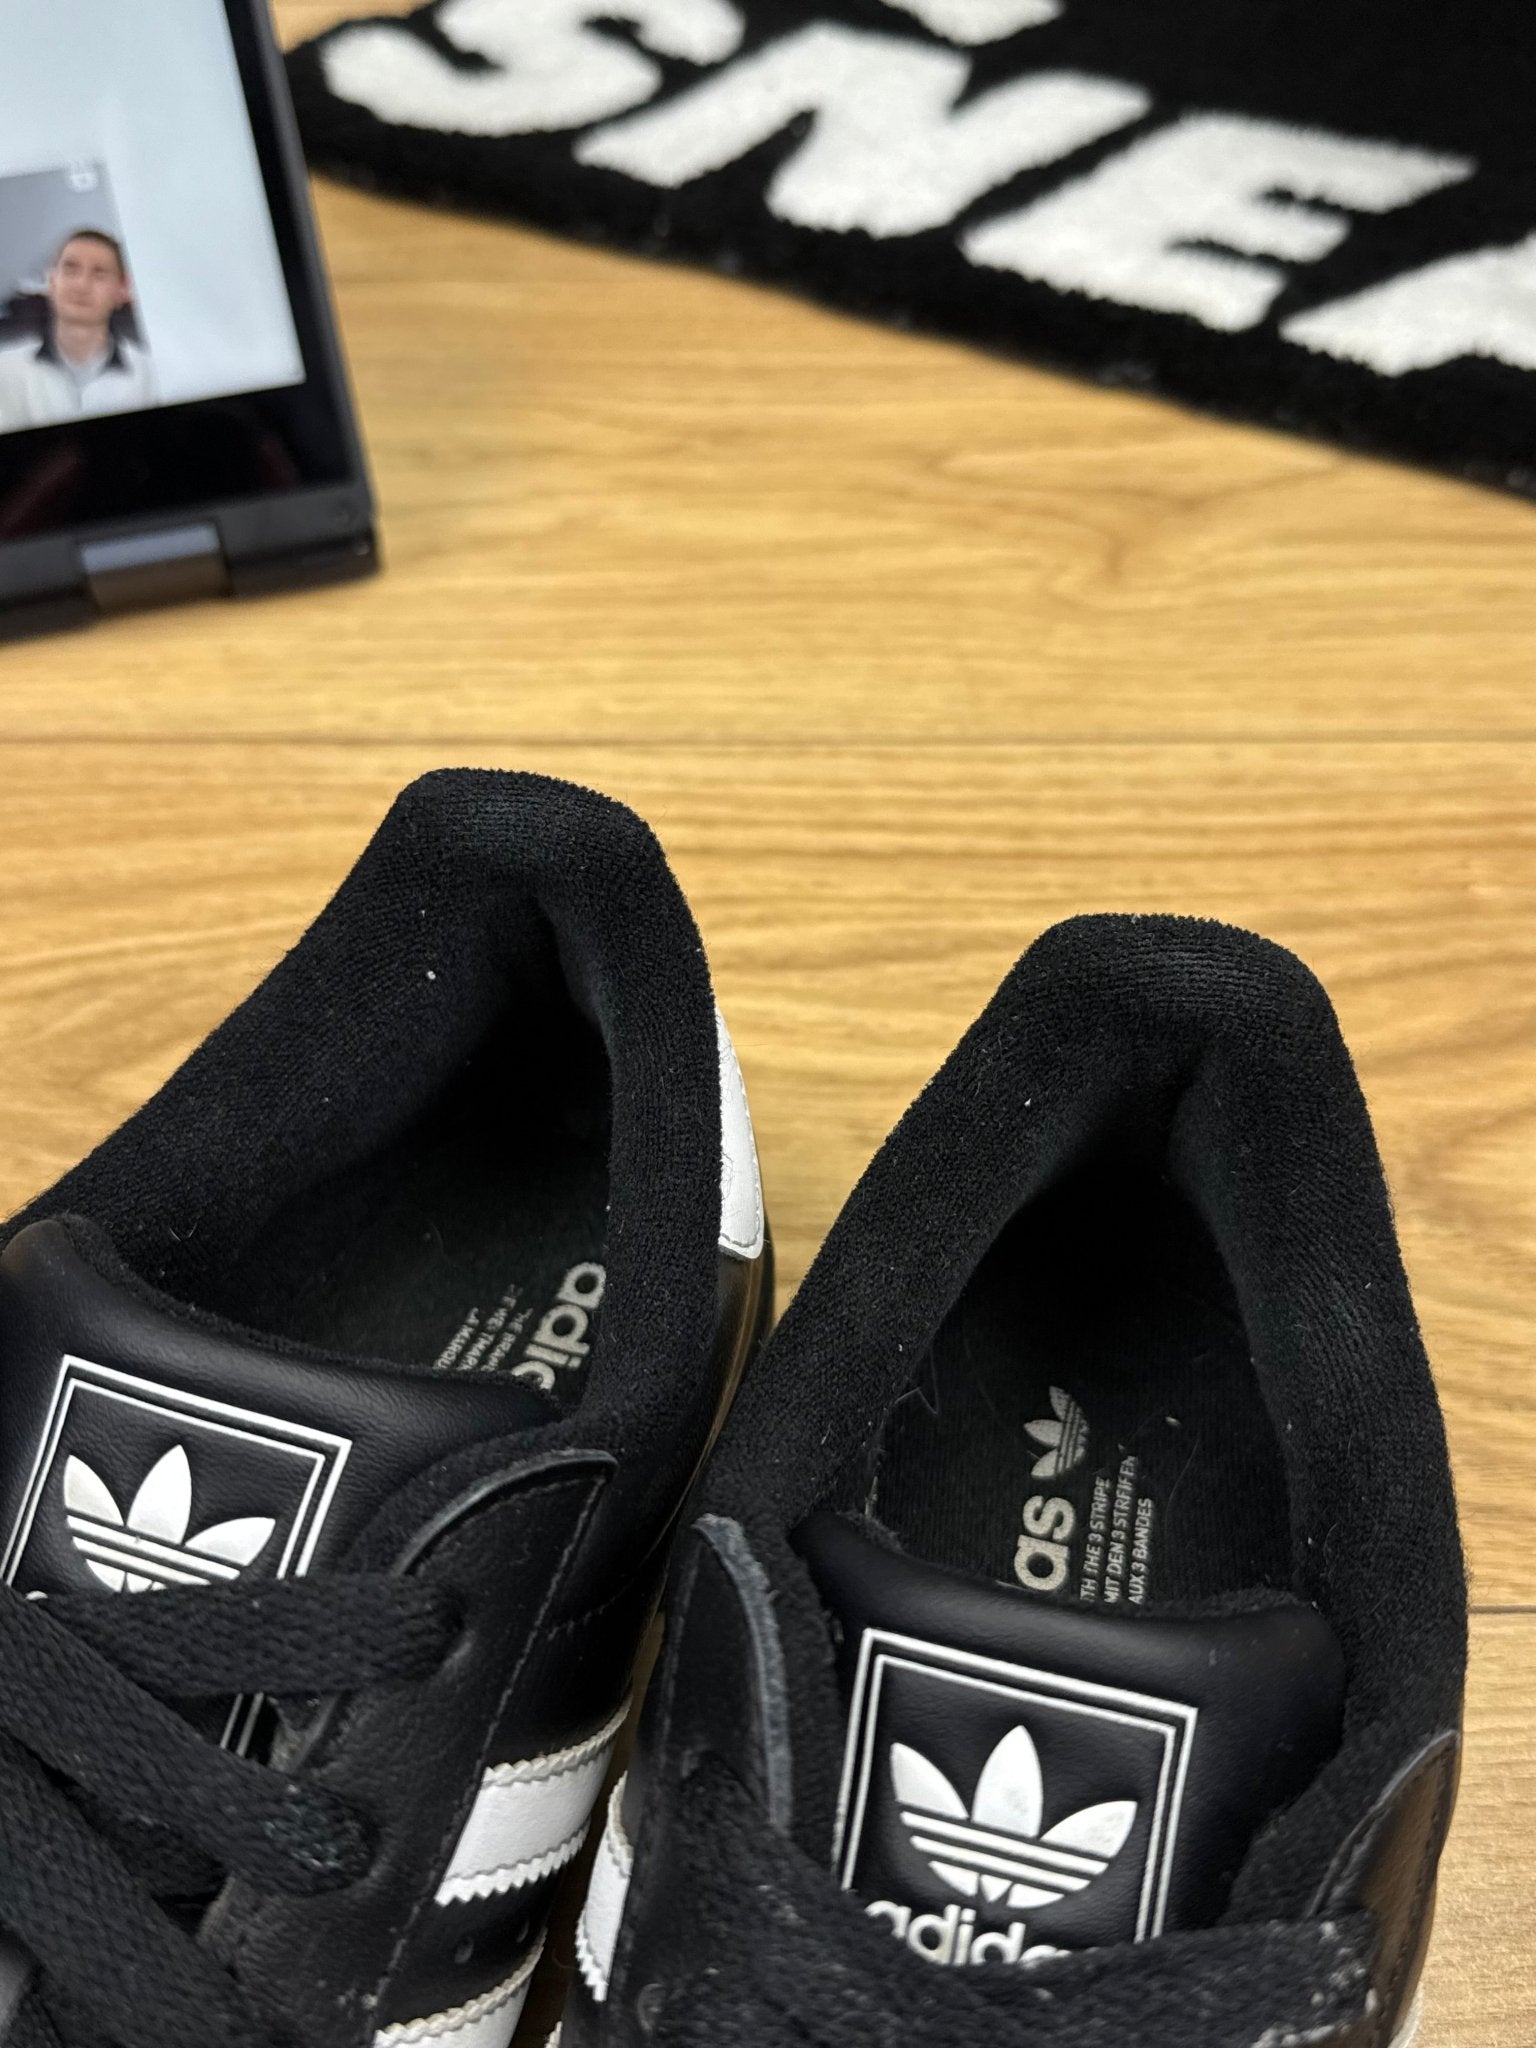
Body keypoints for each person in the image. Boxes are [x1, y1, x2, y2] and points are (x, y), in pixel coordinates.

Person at [0, 228, 156, 429]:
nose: (82, 285)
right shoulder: (6, 370)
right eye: (70, 270)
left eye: (99, 274)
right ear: (51, 281)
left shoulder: (150, 374)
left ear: (122, 289)